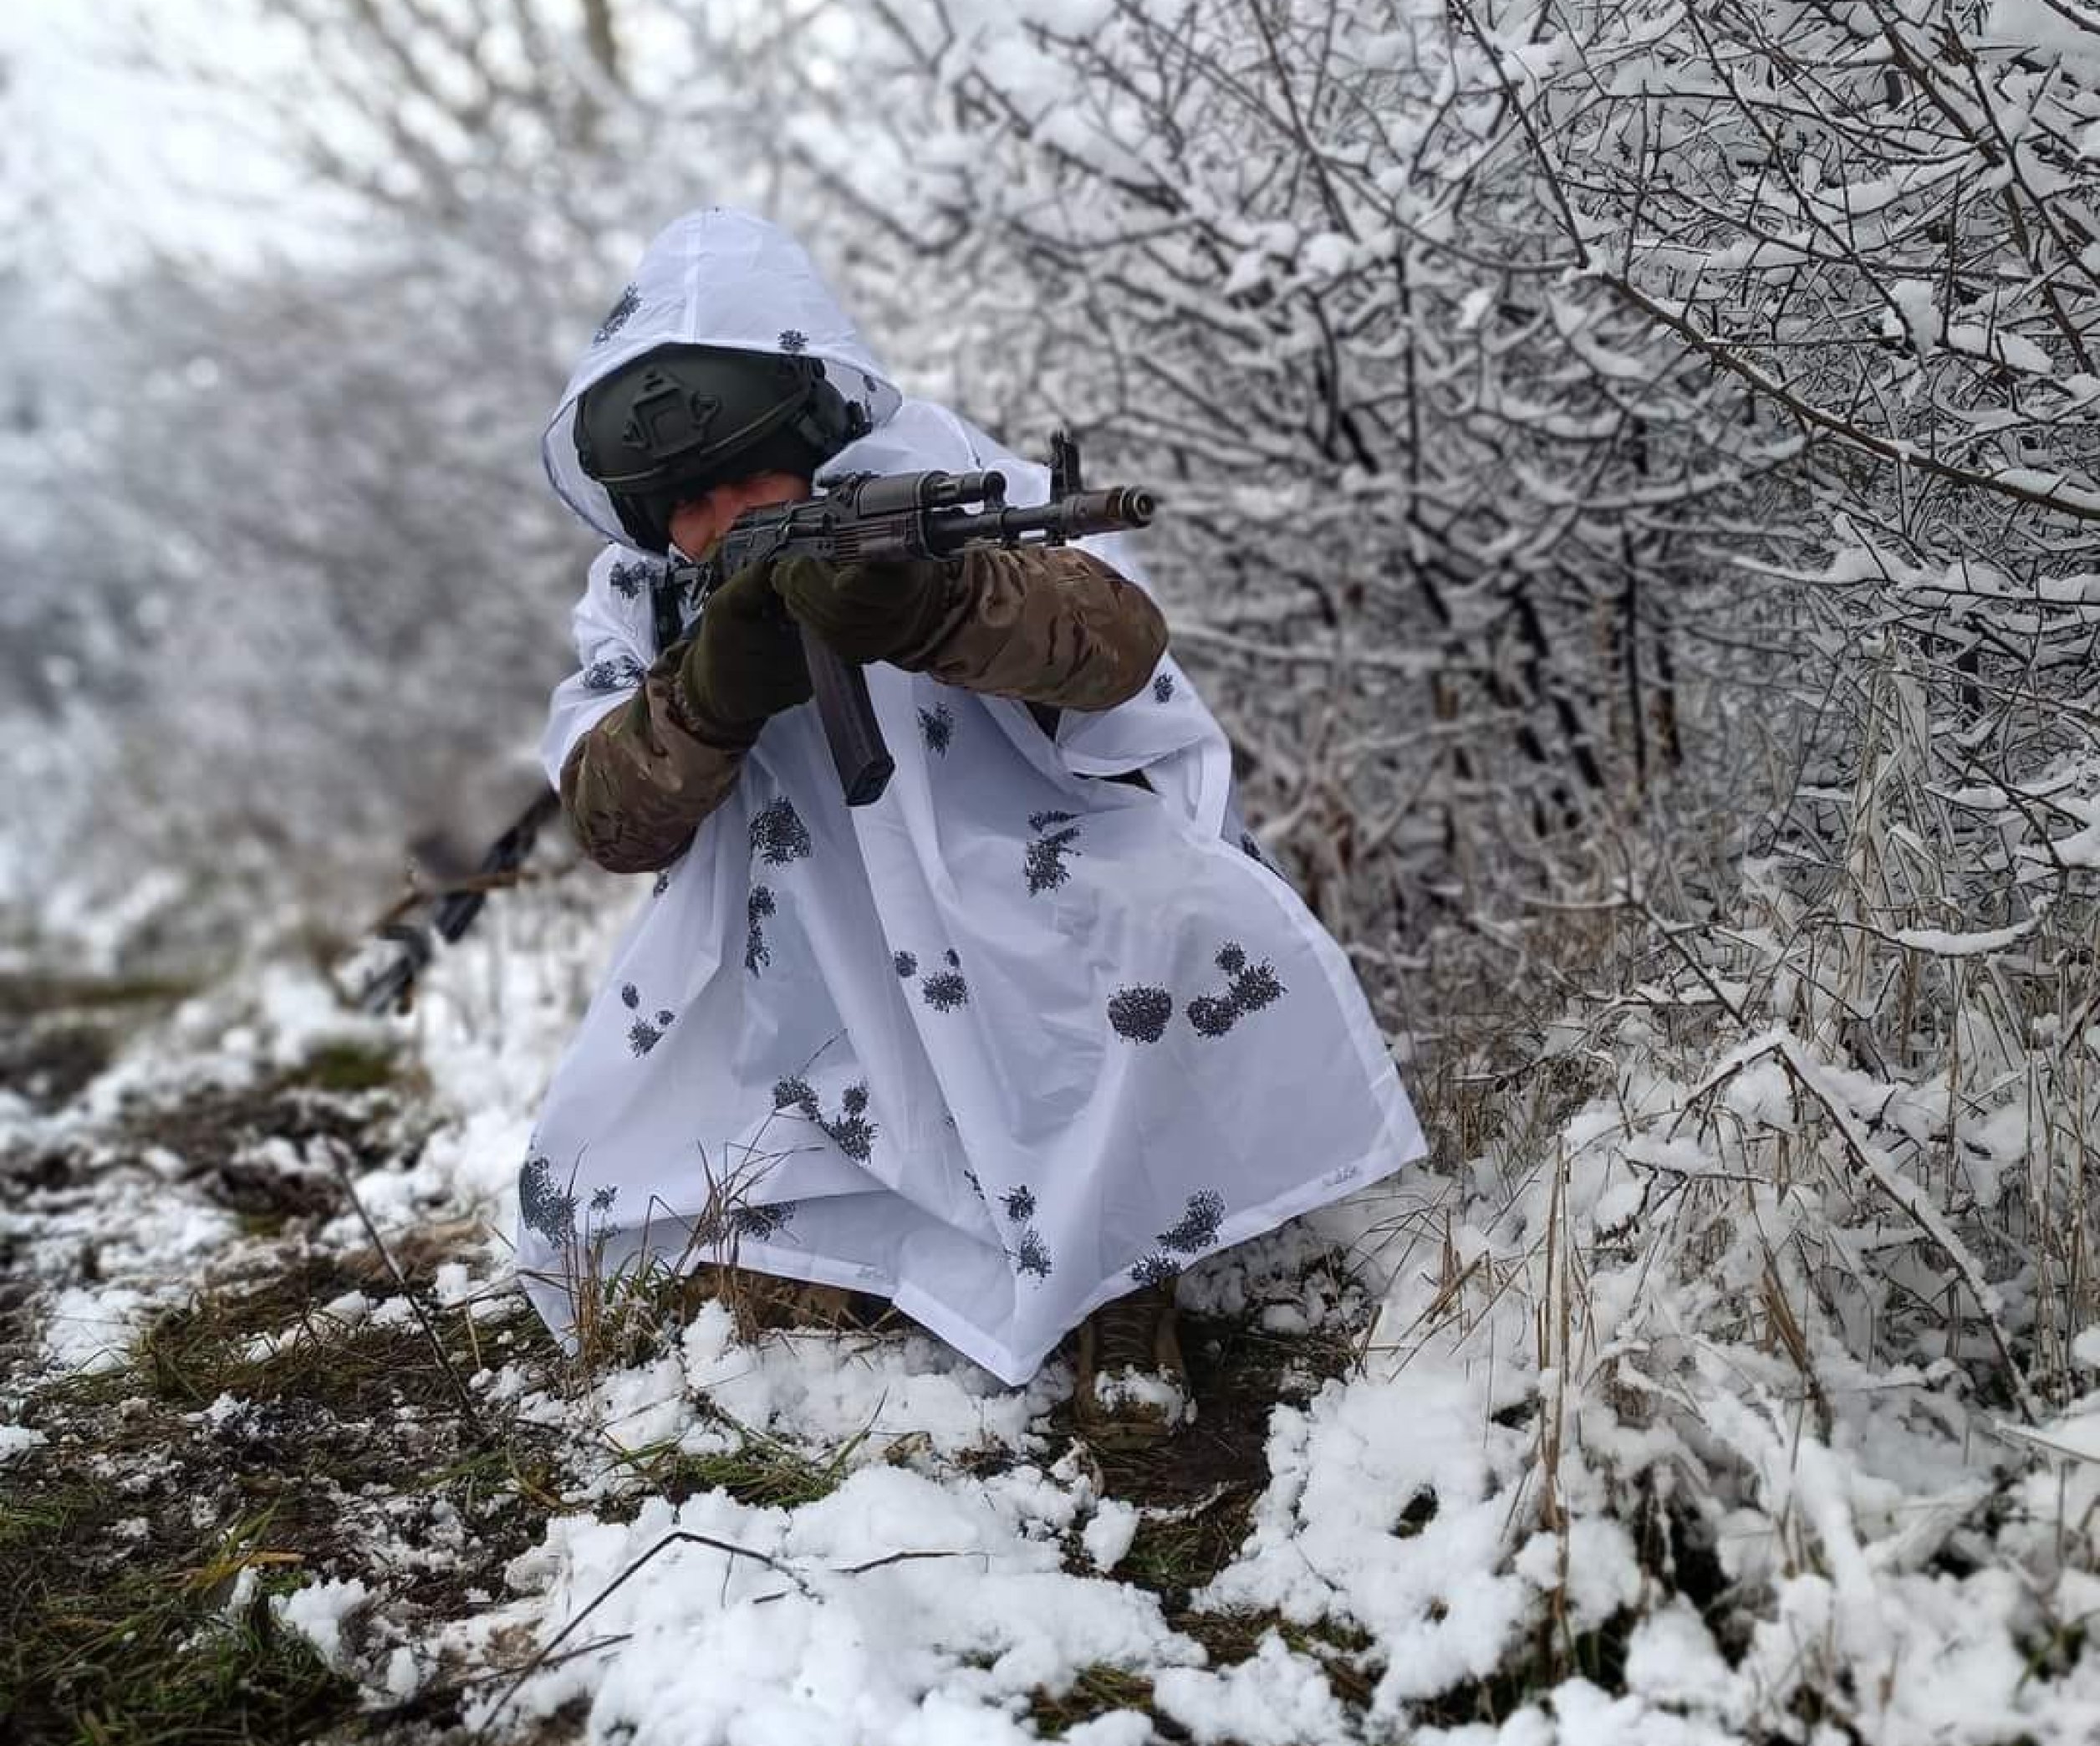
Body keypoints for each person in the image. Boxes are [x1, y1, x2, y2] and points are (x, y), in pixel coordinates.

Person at [518, 207, 1425, 1446]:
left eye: (741, 477)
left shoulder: (930, 481)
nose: (715, 518)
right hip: (795, 948)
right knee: (661, 1204)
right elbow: (610, 817)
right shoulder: (643, 596)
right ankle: (866, 1261)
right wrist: (708, 691)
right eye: (682, 498)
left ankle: (1124, 1278)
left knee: (1170, 921)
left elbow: (1115, 645)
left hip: (1024, 883)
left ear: (803, 435)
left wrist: (936, 601)